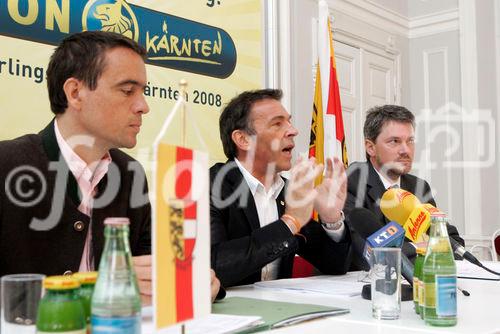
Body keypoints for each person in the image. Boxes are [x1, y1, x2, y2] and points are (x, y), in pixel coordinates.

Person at [0, 31, 223, 304]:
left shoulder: (129, 173)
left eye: (143, 92)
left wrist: (187, 281)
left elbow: (151, 264)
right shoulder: (7, 164)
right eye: (128, 91)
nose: (144, 106)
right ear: (75, 93)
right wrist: (98, 288)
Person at [210, 89, 351, 287]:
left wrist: (332, 220)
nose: (293, 131)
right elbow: (213, 268)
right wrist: (290, 222)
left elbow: (335, 265)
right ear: (243, 140)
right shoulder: (206, 186)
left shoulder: (287, 191)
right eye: (277, 123)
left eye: (289, 121)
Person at [343, 105, 464, 270]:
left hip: (416, 282)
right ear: (370, 147)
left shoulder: (418, 186)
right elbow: (365, 253)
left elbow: (453, 242)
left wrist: (419, 248)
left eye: (410, 141)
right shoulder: (351, 182)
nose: (406, 150)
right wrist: (420, 247)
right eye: (395, 141)